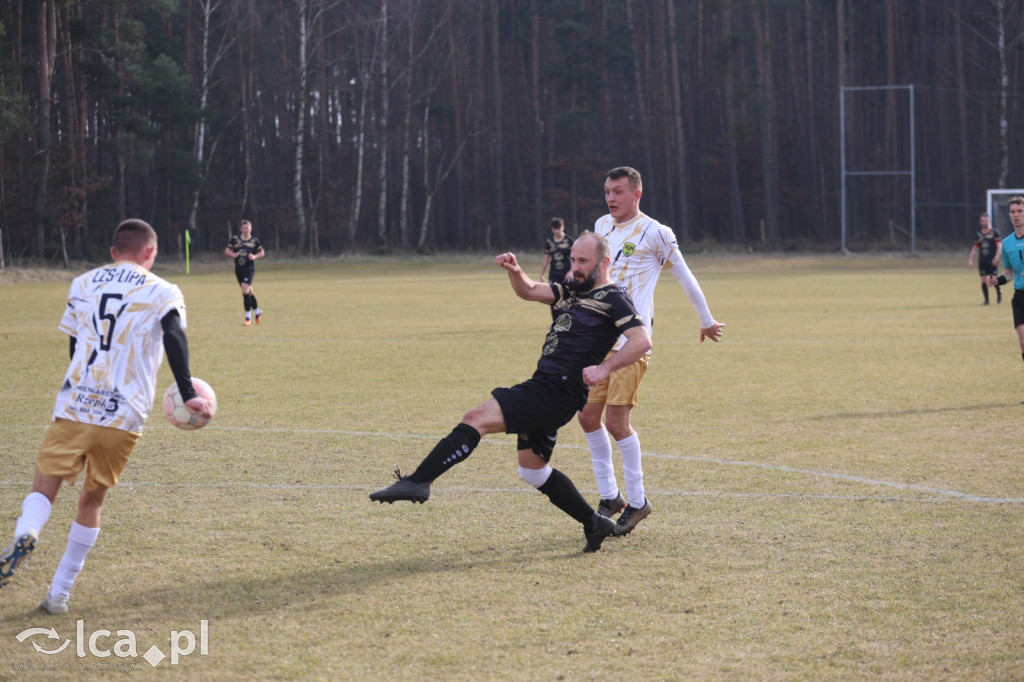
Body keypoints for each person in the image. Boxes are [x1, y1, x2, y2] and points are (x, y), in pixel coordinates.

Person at [369, 232, 652, 553]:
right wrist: (516, 272)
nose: (574, 267)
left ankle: (418, 481)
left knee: (476, 417)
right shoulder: (573, 288)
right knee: (532, 470)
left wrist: (604, 369)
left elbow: (642, 340)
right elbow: (530, 290)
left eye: (582, 261)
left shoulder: (614, 297)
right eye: (573, 260)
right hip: (547, 385)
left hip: (557, 390)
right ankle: (595, 523)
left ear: (605, 262)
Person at [0, 219, 214, 614]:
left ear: (114, 250)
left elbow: (74, 342)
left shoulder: (82, 283)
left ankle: (27, 532)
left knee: (44, 487)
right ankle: (59, 595)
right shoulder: (163, 289)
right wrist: (188, 393)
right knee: (91, 499)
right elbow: (174, 336)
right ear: (149, 253)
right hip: (124, 412)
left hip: (76, 404)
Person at [579, 166, 725, 537]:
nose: (611, 198)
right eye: (607, 191)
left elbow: (685, 276)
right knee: (587, 418)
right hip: (598, 340)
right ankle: (610, 497)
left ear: (636, 194)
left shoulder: (656, 233)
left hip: (632, 342)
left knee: (616, 423)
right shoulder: (601, 225)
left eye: (618, 191)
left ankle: (639, 501)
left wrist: (706, 320)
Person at [985, 197, 1024, 393]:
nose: (1016, 215)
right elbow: (1009, 273)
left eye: (1019, 211)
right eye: (1013, 212)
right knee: (1023, 342)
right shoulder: (1008, 243)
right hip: (1020, 297)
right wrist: (996, 281)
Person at [224, 219, 265, 325]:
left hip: (249, 269)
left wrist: (254, 256)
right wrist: (233, 255)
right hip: (239, 270)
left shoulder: (254, 241)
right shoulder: (235, 240)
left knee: (244, 289)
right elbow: (227, 250)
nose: (245, 230)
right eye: (243, 228)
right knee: (249, 292)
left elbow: (262, 252)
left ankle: (248, 317)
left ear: (251, 229)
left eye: (247, 228)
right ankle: (257, 312)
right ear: (241, 229)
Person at [969, 212, 1002, 305]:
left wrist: (996, 257)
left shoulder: (994, 233)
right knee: (983, 280)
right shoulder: (979, 235)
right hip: (982, 261)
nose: (984, 222)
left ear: (989, 221)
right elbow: (975, 248)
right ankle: (986, 301)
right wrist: (970, 260)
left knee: (992, 279)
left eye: (985, 220)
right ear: (980, 222)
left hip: (992, 260)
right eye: (982, 220)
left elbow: (999, 246)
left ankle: (999, 292)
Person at [540, 217, 574, 284]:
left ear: (563, 227)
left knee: (567, 293)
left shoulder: (569, 241)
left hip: (566, 273)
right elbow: (546, 258)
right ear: (552, 229)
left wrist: (571, 271)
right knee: (552, 293)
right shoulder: (550, 241)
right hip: (554, 273)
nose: (557, 231)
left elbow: (575, 258)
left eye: (558, 228)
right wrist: (542, 274)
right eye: (555, 228)